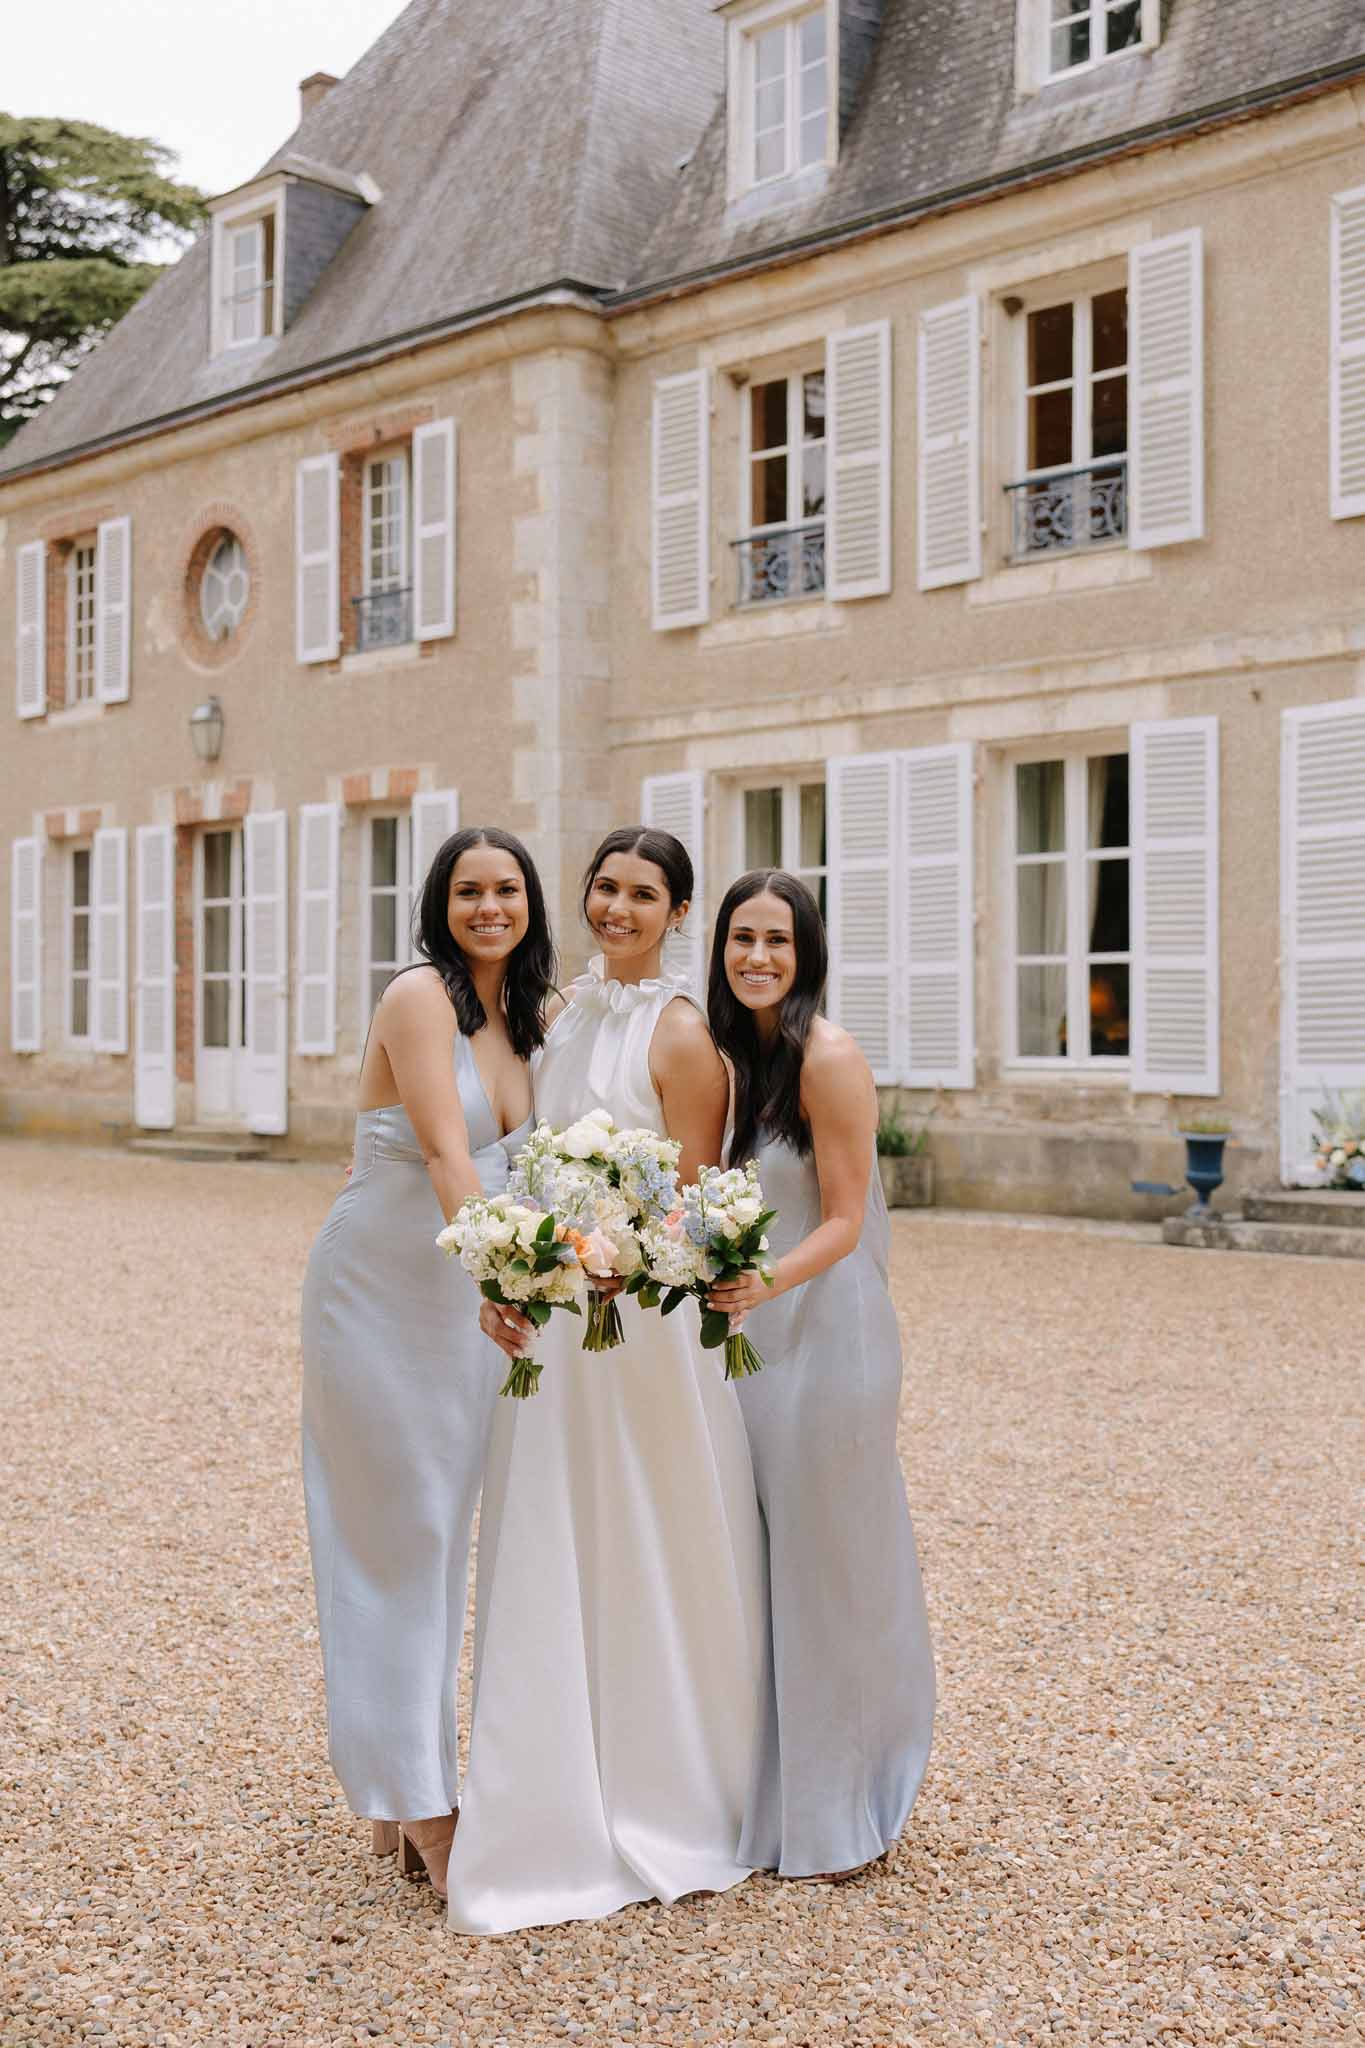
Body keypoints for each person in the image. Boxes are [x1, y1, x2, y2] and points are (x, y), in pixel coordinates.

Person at [445, 828, 764, 1937]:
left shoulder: (682, 1034)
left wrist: (609, 1254)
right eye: (606, 887)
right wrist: (529, 1257)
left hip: (639, 1335)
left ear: (678, 912)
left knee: (647, 1535)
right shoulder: (559, 1013)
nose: (618, 907)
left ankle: (671, 1781)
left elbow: (692, 1194)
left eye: (644, 893)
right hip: (558, 1323)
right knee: (552, 1536)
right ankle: (546, 1775)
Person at [300, 827, 555, 1900]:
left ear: (530, 902)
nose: (489, 905)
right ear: (439, 904)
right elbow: (451, 1150)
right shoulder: (419, 996)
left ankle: (403, 1787)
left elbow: (529, 1163)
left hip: (467, 1300)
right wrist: (498, 1277)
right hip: (384, 1291)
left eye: (506, 888)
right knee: (395, 1535)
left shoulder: (527, 1019)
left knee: (447, 1534)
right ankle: (419, 1798)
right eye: (468, 889)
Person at [705, 868, 935, 1881]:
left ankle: (841, 1811)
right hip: (753, 1338)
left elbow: (843, 1218)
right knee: (761, 1562)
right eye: (742, 938)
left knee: (830, 1562)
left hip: (827, 1330)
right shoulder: (728, 1060)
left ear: (806, 956)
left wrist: (760, 1280)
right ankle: (768, 1795)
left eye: (778, 942)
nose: (758, 956)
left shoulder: (828, 1055)